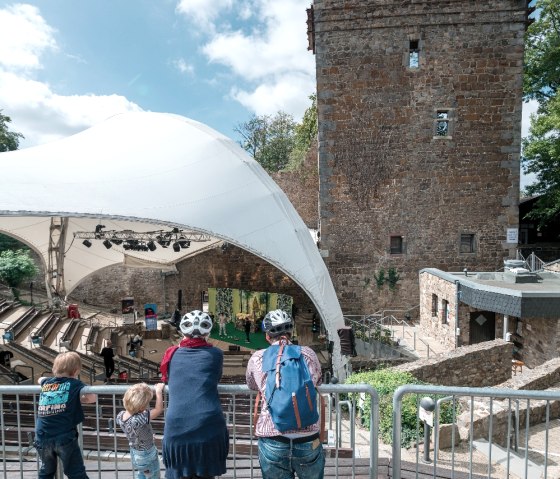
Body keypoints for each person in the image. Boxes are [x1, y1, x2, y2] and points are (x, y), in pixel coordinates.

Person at [246, 309, 325, 479]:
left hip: (273, 438)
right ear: (290, 332)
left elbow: (252, 385)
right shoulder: (308, 354)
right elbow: (317, 381)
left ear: (268, 336)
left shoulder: (258, 358)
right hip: (308, 437)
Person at [160, 310, 229, 479]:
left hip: (177, 424)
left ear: (183, 331)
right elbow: (216, 377)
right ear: (208, 332)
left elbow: (168, 377)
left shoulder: (172, 353)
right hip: (208, 424)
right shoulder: (216, 355)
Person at [35, 351, 97, 479]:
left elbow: (39, 379)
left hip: (42, 436)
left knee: (46, 472)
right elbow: (92, 398)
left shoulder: (46, 383)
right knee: (75, 472)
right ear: (75, 371)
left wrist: (45, 379)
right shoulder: (75, 384)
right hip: (64, 436)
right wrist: (80, 398)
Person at [117, 383, 165, 479]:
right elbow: (158, 409)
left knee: (142, 475)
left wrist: (148, 436)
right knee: (153, 476)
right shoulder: (139, 419)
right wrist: (158, 392)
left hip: (135, 453)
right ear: (141, 407)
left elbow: (136, 432)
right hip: (147, 454)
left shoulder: (120, 416)